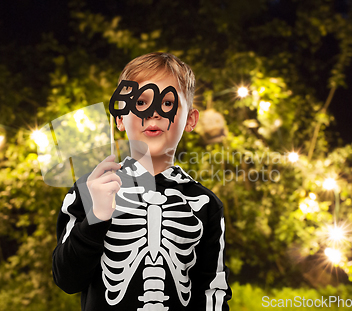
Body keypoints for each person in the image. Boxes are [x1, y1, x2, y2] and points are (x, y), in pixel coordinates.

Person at [52, 52, 232, 310]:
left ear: (190, 120)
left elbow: (213, 291)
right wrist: (96, 216)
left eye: (168, 104)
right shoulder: (88, 190)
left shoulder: (205, 204)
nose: (154, 113)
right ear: (119, 118)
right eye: (140, 102)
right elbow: (67, 279)